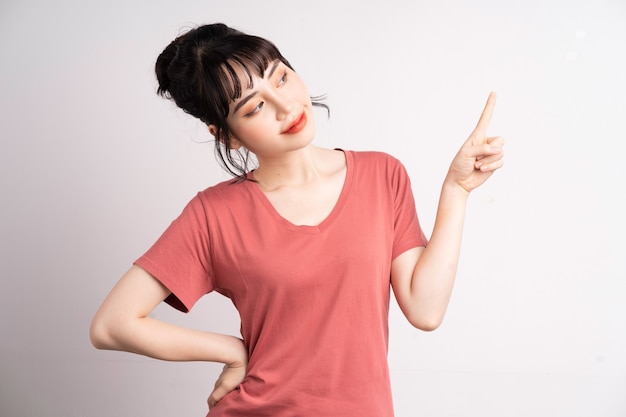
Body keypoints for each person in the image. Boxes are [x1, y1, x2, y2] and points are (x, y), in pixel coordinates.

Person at [90, 23, 504, 417]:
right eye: (255, 107)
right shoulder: (214, 215)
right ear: (227, 135)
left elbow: (425, 309)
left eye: (281, 78)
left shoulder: (382, 176)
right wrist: (233, 351)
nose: (286, 107)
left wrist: (457, 191)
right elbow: (112, 324)